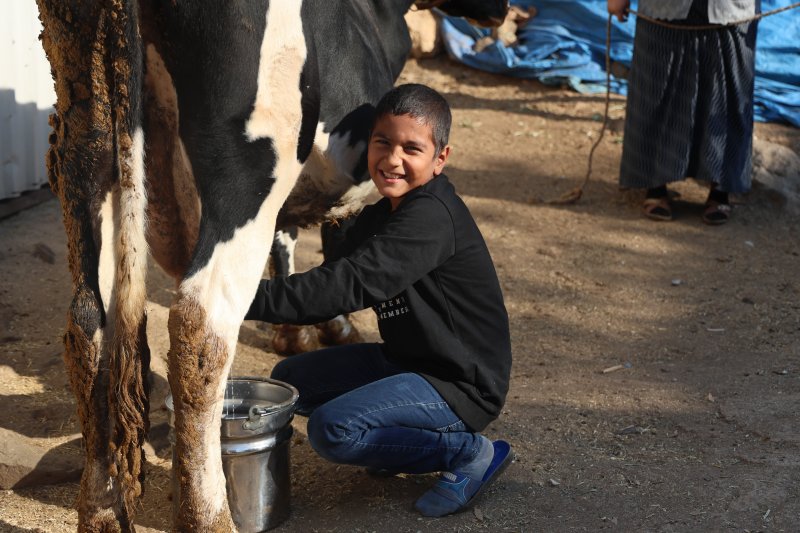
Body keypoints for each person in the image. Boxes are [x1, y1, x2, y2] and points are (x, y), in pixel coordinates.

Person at [245, 83, 513, 517]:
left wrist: (235, 298)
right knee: (290, 380)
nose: (392, 159)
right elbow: (333, 264)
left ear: (440, 159)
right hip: (406, 361)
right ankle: (399, 443)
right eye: (382, 143)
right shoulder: (382, 214)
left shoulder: (429, 218)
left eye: (412, 149)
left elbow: (341, 288)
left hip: (458, 384)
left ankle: (467, 453)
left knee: (334, 430)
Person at [607, 0, 760, 224]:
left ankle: (720, 191)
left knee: (725, 95)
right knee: (656, 90)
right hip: (664, 10)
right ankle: (655, 186)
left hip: (731, 10)